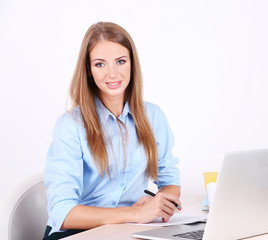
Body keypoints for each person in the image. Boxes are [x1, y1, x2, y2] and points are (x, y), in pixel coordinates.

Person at [43, 22, 181, 239]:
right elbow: (62, 212)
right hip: (77, 233)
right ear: (88, 70)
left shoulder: (153, 116)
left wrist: (158, 202)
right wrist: (135, 213)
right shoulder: (70, 125)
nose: (112, 73)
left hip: (126, 231)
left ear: (132, 65)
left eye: (120, 61)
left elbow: (170, 181)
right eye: (100, 64)